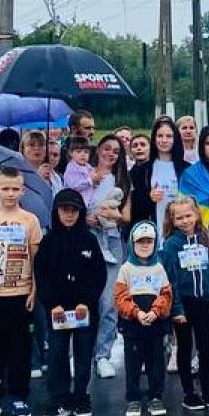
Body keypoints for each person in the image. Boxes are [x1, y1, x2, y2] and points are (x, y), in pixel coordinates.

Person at [33, 189, 106, 416]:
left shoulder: (89, 239)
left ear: (81, 212)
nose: (69, 215)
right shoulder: (48, 241)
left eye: (74, 210)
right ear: (56, 211)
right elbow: (41, 275)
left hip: (84, 309)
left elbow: (99, 275)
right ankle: (59, 398)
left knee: (84, 353)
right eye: (65, 210)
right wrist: (52, 304)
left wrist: (87, 301)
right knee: (57, 353)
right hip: (58, 311)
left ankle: (81, 396)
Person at [162, 196, 209, 411]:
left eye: (188, 215)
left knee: (206, 347)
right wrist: (176, 308)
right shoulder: (171, 245)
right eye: (179, 218)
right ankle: (189, 393)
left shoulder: (207, 240)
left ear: (196, 214)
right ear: (172, 220)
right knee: (185, 348)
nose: (185, 221)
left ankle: (208, 390)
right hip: (183, 304)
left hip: (203, 302)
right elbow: (171, 279)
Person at [114, 222, 173, 416]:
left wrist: (156, 311)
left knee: (156, 362)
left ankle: (156, 396)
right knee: (133, 363)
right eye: (141, 242)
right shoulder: (126, 269)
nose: (145, 245)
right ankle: (133, 398)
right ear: (132, 243)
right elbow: (120, 297)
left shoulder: (159, 268)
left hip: (155, 324)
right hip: (133, 325)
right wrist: (136, 313)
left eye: (149, 241)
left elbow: (166, 294)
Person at [89, 135, 131, 380]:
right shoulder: (83, 175)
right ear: (98, 150)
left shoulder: (122, 181)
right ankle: (83, 353)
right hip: (86, 239)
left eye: (116, 151)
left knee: (108, 301)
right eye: (106, 148)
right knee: (85, 299)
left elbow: (127, 217)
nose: (110, 154)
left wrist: (113, 215)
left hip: (112, 241)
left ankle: (103, 355)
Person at [132, 118, 188, 233]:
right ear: (154, 138)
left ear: (175, 139)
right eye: (160, 136)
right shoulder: (143, 170)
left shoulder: (186, 169)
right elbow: (135, 204)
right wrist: (149, 197)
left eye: (169, 136)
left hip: (181, 228)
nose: (164, 140)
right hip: (153, 229)